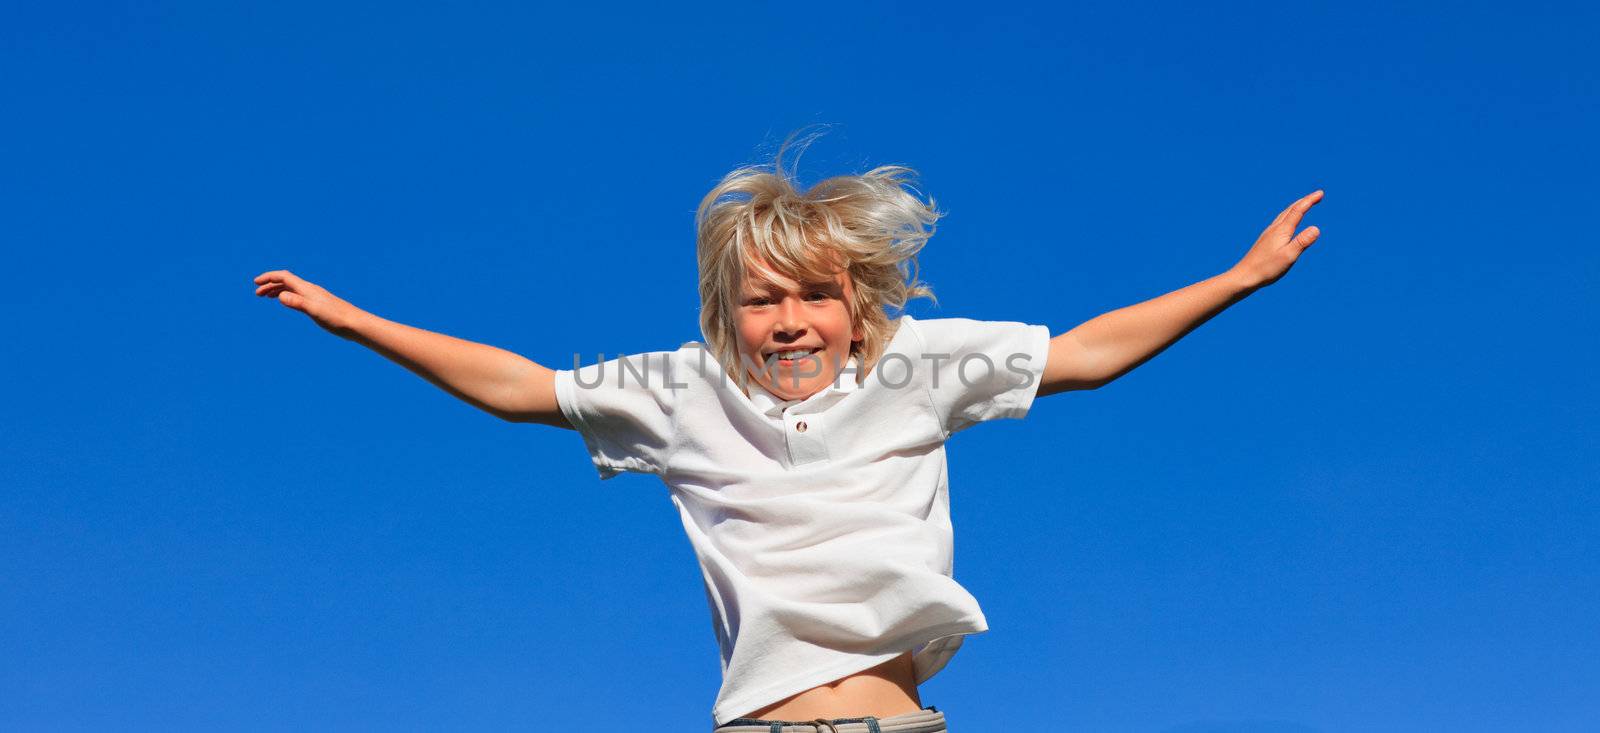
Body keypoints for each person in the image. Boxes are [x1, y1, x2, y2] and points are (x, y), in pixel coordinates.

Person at [252, 134, 1323, 732]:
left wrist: (1236, 279)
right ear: (727, 313)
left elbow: (1087, 354)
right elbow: (519, 387)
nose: (790, 320)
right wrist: (354, 322)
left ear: (860, 303)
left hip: (894, 722)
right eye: (763, 301)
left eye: (814, 295)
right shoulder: (678, 389)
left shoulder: (921, 363)